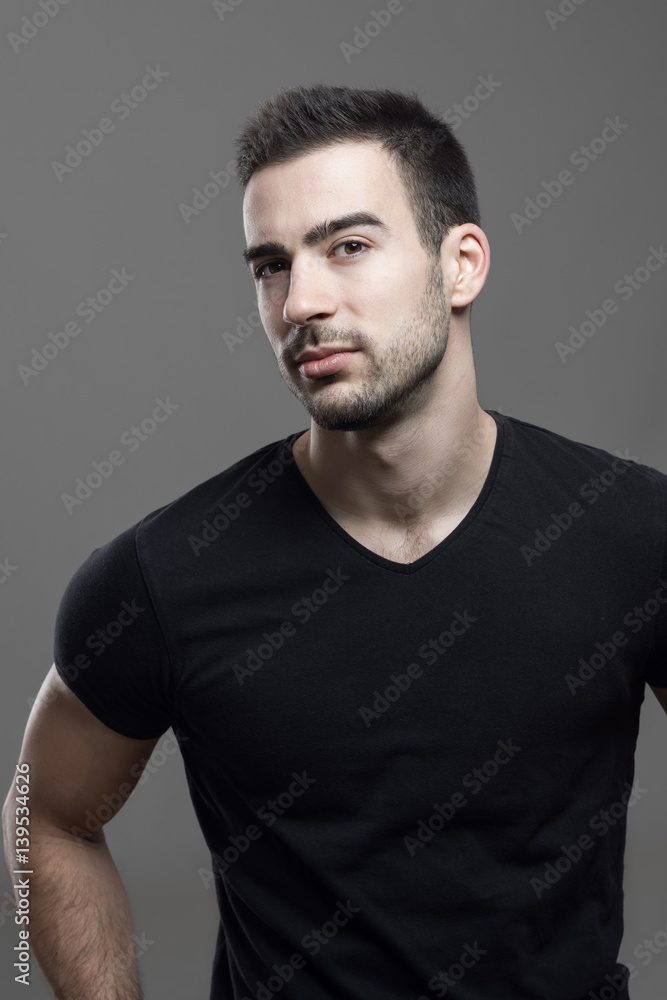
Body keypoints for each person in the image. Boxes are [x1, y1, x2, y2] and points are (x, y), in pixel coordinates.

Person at [3, 82, 667, 1000]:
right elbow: (44, 813)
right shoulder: (161, 577)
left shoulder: (632, 534)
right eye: (270, 266)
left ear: (461, 263)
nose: (300, 300)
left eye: (347, 247)